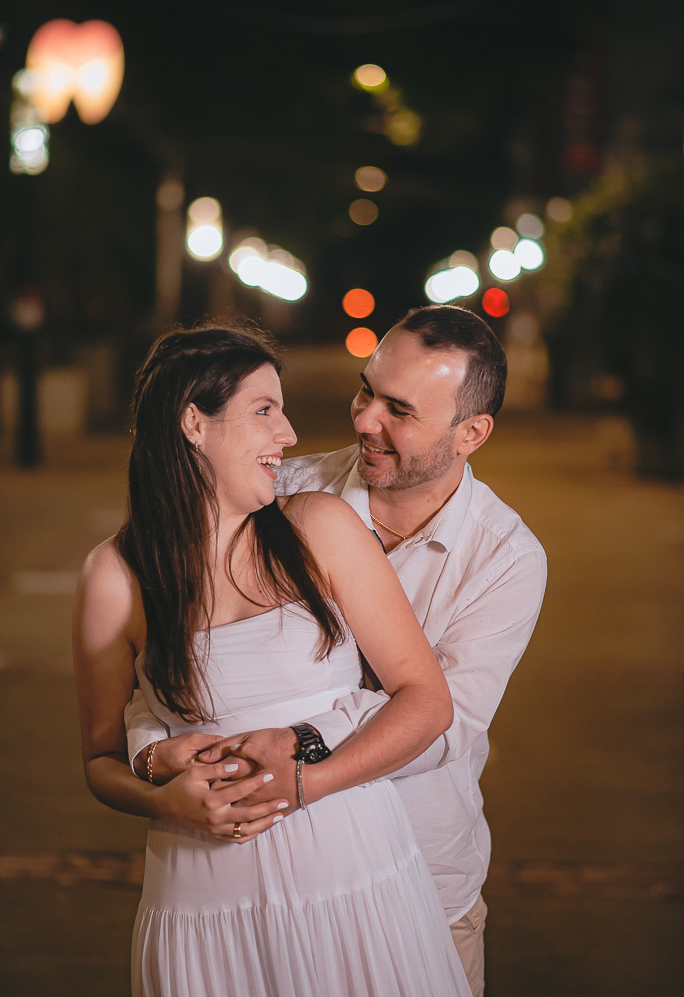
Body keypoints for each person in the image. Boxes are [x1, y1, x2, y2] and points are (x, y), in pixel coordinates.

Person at [126, 305, 547, 997]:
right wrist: (158, 748)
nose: (362, 420)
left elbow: (446, 723)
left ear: (469, 433)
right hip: (254, 876)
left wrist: (302, 747)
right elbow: (175, 654)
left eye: (399, 411)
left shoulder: (505, 558)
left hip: (422, 875)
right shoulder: (284, 493)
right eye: (365, 391)